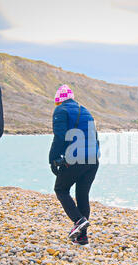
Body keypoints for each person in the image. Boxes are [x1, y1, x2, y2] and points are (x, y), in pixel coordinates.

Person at [49, 85, 100, 246]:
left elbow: (60, 137)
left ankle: (78, 220)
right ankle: (82, 238)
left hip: (76, 159)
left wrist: (53, 159)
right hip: (93, 159)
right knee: (82, 195)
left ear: (58, 100)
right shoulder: (85, 110)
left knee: (61, 189)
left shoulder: (61, 110)